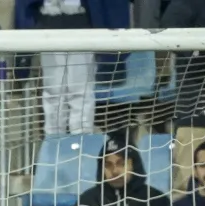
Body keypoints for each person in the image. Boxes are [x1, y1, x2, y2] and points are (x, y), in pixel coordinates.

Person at [15, 0, 129, 136]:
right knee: (53, 92)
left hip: (82, 25)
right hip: (48, 25)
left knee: (80, 91)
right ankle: (53, 142)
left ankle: (82, 142)